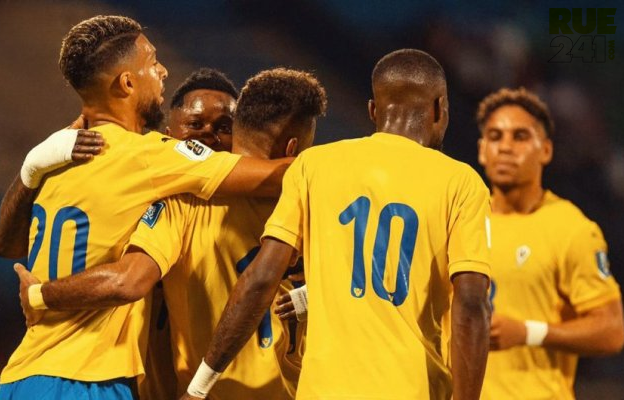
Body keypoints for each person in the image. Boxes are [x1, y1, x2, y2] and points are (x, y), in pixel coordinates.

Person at [0, 15, 291, 399]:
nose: (163, 70)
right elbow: (275, 176)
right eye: (152, 62)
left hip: (20, 377)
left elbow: (8, 245)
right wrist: (348, 161)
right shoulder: (150, 156)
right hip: (86, 380)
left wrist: (28, 170)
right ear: (127, 83)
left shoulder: (57, 158)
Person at [183, 49, 492, 400]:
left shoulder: (314, 165)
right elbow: (471, 305)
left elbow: (261, 279)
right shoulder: (462, 183)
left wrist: (199, 387)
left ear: (373, 110)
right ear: (440, 109)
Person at [476, 87, 624, 400]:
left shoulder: (570, 229)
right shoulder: (462, 219)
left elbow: (612, 330)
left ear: (545, 150)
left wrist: (528, 333)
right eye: (495, 136)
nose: (505, 147)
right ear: (481, 150)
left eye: (520, 137)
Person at [139, 67, 240, 400]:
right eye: (195, 125)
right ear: (169, 135)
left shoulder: (263, 212)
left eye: (224, 127)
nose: (208, 134)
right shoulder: (141, 196)